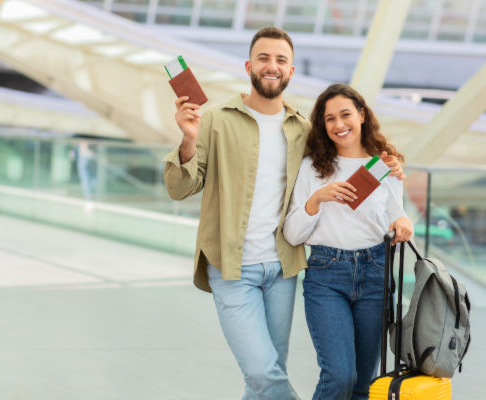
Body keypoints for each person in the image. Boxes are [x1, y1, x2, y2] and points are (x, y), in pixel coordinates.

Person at [163, 27, 405, 399]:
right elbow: (180, 188)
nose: (272, 66)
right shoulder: (215, 120)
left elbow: (346, 158)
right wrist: (189, 138)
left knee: (264, 375)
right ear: (249, 66)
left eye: (281, 60)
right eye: (263, 58)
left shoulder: (303, 130)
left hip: (283, 268)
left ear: (291, 71)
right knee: (264, 373)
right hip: (231, 266)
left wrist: (389, 167)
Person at [283, 83, 413, 400]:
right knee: (339, 376)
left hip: (375, 272)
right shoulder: (311, 168)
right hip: (326, 274)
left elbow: (398, 216)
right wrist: (317, 199)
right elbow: (292, 234)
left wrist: (403, 221)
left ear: (362, 115)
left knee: (363, 386)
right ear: (322, 125)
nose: (339, 125)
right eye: (330, 119)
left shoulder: (384, 166)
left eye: (346, 115)